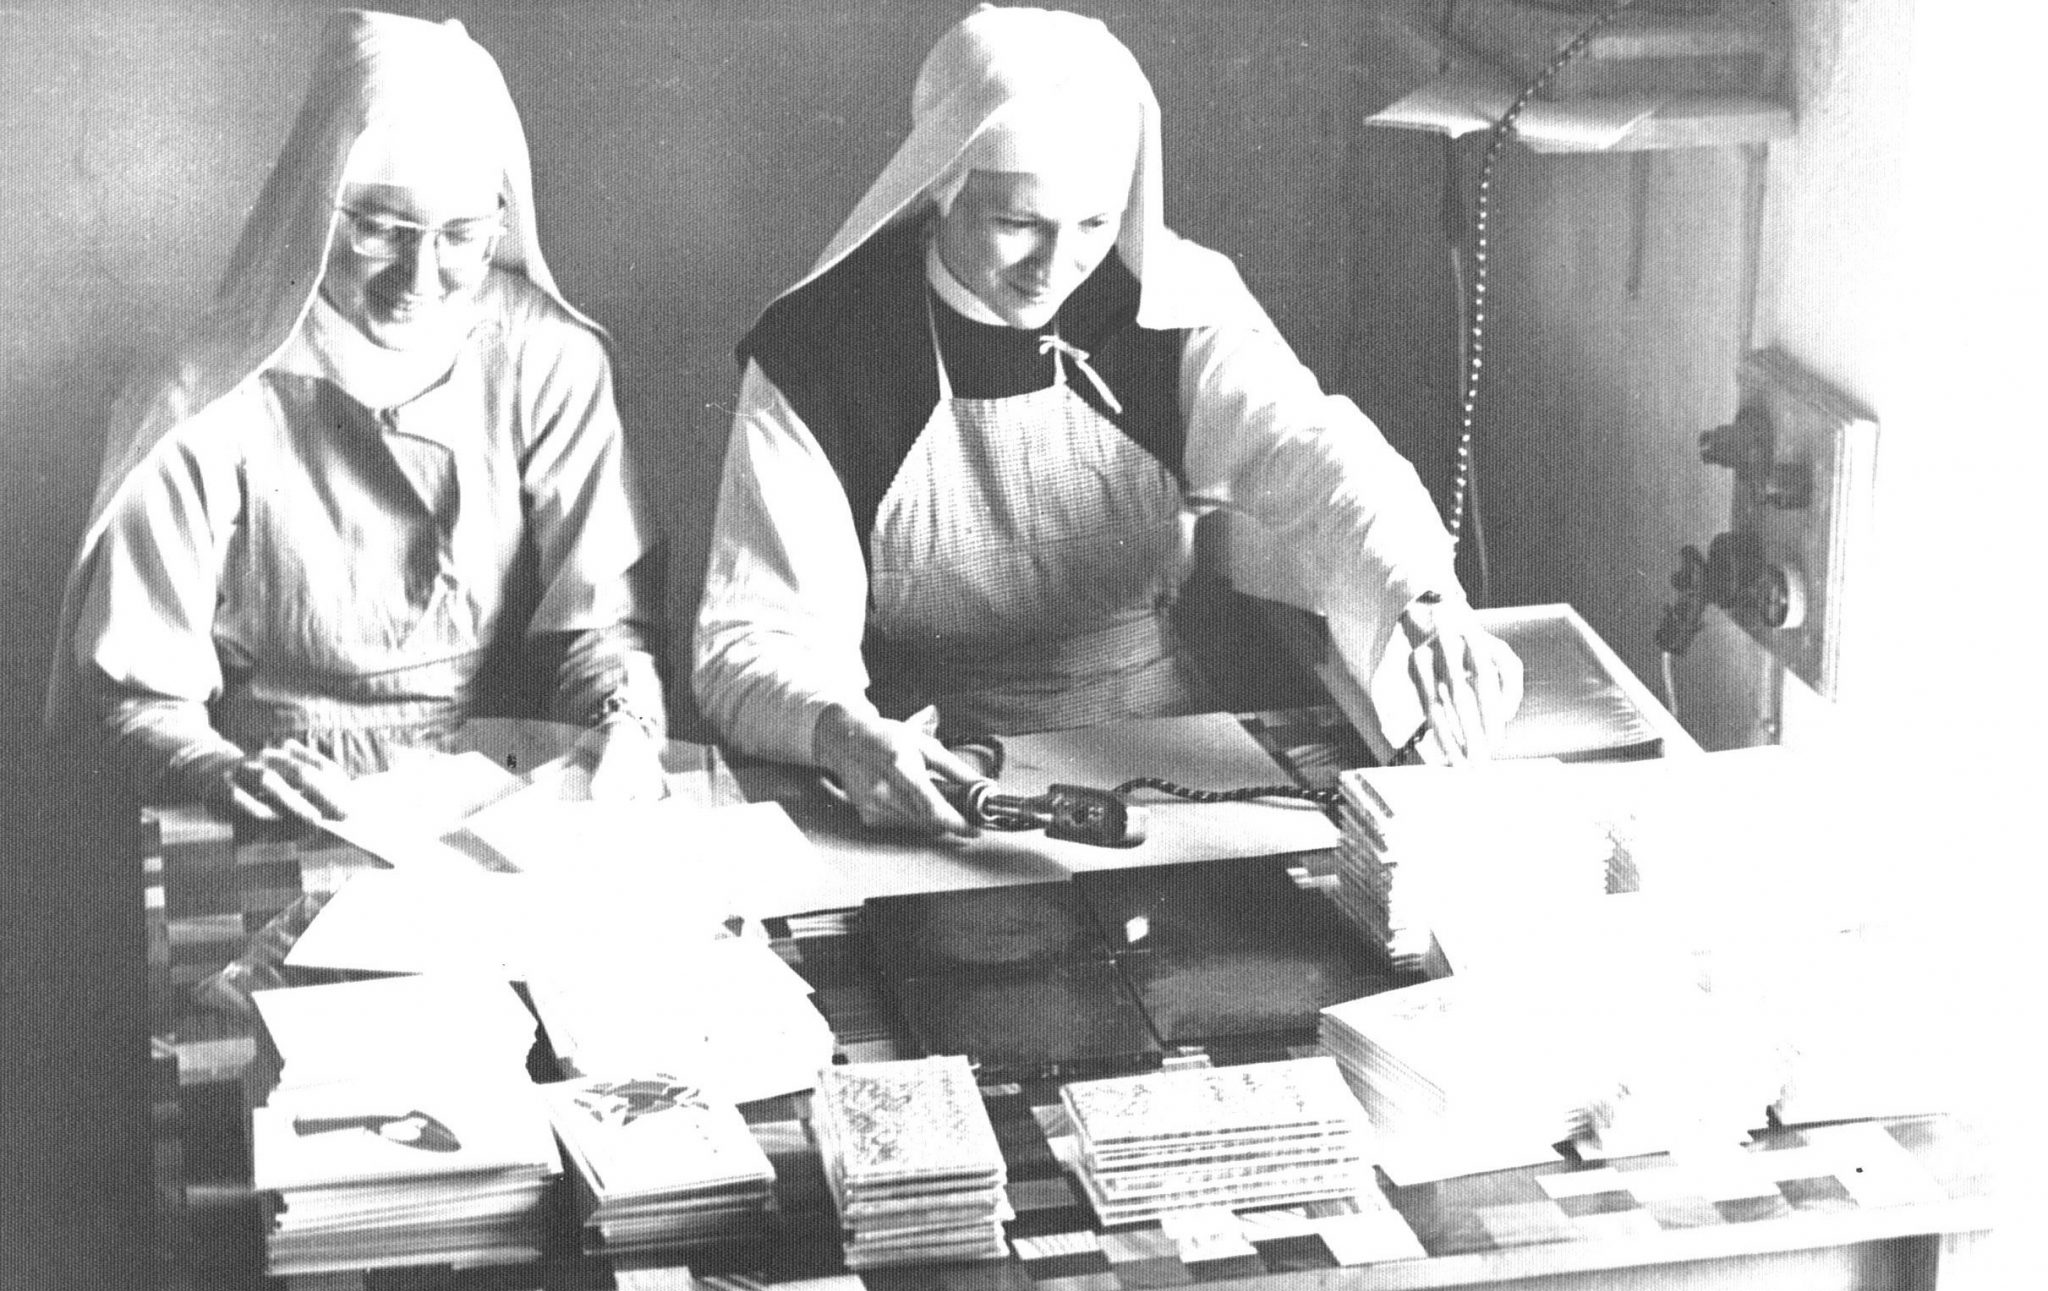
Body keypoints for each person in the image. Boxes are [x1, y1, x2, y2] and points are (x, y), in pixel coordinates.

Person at [694, 3, 1523, 846]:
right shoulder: (824, 352)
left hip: (1161, 754)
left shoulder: (1166, 305)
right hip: (939, 787)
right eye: (1018, 225)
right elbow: (751, 638)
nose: (1054, 269)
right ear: (942, 185)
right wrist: (841, 734)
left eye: (1093, 224)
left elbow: (1315, 455)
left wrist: (1420, 597)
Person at [46, 10, 669, 821]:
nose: (419, 276)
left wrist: (623, 722)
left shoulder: (547, 360)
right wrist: (217, 770)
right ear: (318, 210)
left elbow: (600, 627)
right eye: (381, 230)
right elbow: (139, 697)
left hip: (508, 806)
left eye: (461, 236)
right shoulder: (202, 399)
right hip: (280, 806)